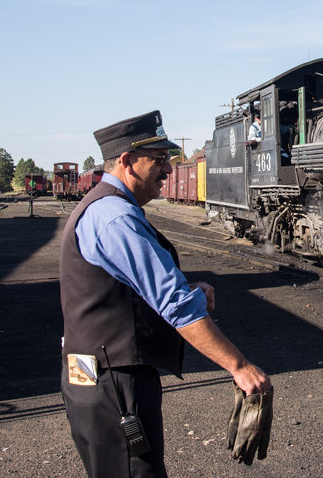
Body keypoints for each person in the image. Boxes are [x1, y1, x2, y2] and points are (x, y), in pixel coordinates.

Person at [60, 110, 271, 477]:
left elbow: (129, 288)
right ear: (127, 161)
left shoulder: (109, 207)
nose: (169, 170)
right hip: (115, 383)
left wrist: (186, 288)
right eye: (159, 160)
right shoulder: (116, 217)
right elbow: (174, 304)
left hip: (99, 375)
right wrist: (239, 367)